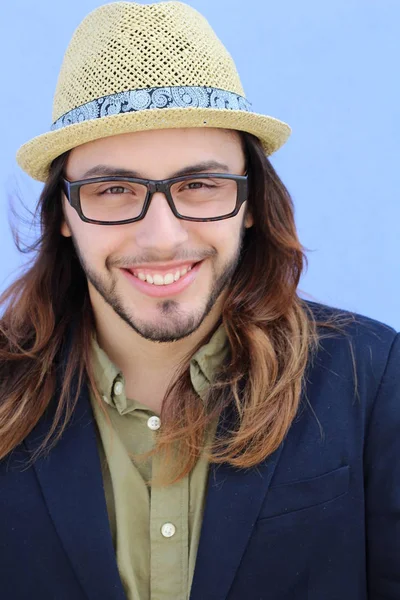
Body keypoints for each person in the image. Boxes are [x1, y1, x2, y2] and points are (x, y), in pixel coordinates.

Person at [1, 2, 399, 599]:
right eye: (113, 189)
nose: (162, 238)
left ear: (250, 204)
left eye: (199, 185)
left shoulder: (373, 377)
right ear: (63, 211)